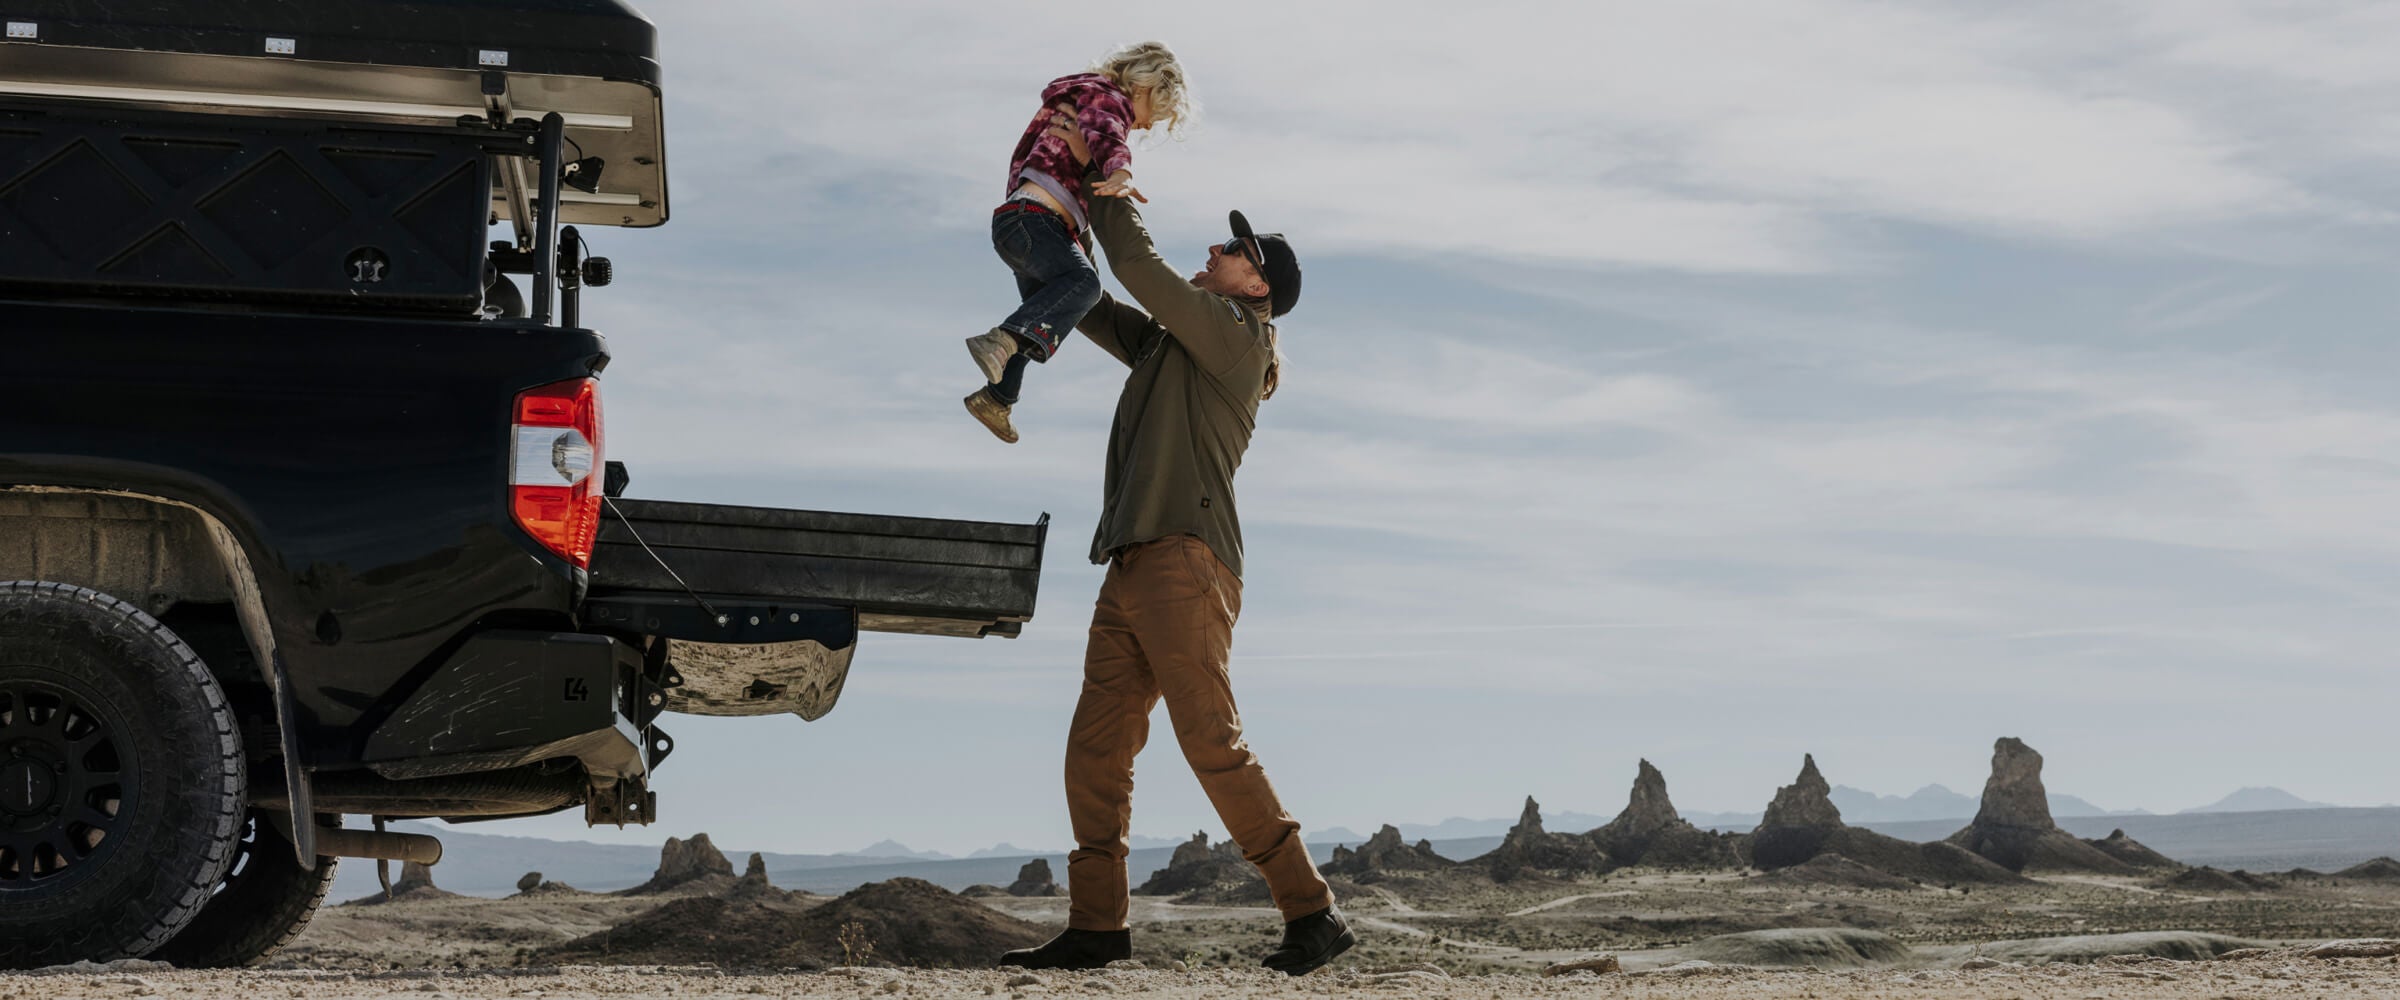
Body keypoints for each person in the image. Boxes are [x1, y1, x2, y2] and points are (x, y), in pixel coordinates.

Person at [994, 148, 1349, 975]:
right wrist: (1039, 242)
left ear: (1256, 287)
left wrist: (1108, 194)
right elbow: (1088, 302)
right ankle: (1097, 926)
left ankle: (1313, 911)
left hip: (1186, 564)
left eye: (1235, 251)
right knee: (1095, 748)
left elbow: (1138, 265)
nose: (1217, 252)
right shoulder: (1172, 344)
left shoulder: (1236, 339)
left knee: (1210, 742)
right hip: (1133, 563)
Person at [963, 41, 1195, 444]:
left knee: (1046, 317)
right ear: (1143, 89)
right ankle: (1000, 339)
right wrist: (1120, 172)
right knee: (1084, 286)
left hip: (1023, 224)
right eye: (1152, 118)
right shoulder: (1106, 98)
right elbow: (1108, 135)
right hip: (1035, 223)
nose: (1144, 128)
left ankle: (997, 398)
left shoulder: (1076, 101)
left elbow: (1025, 161)